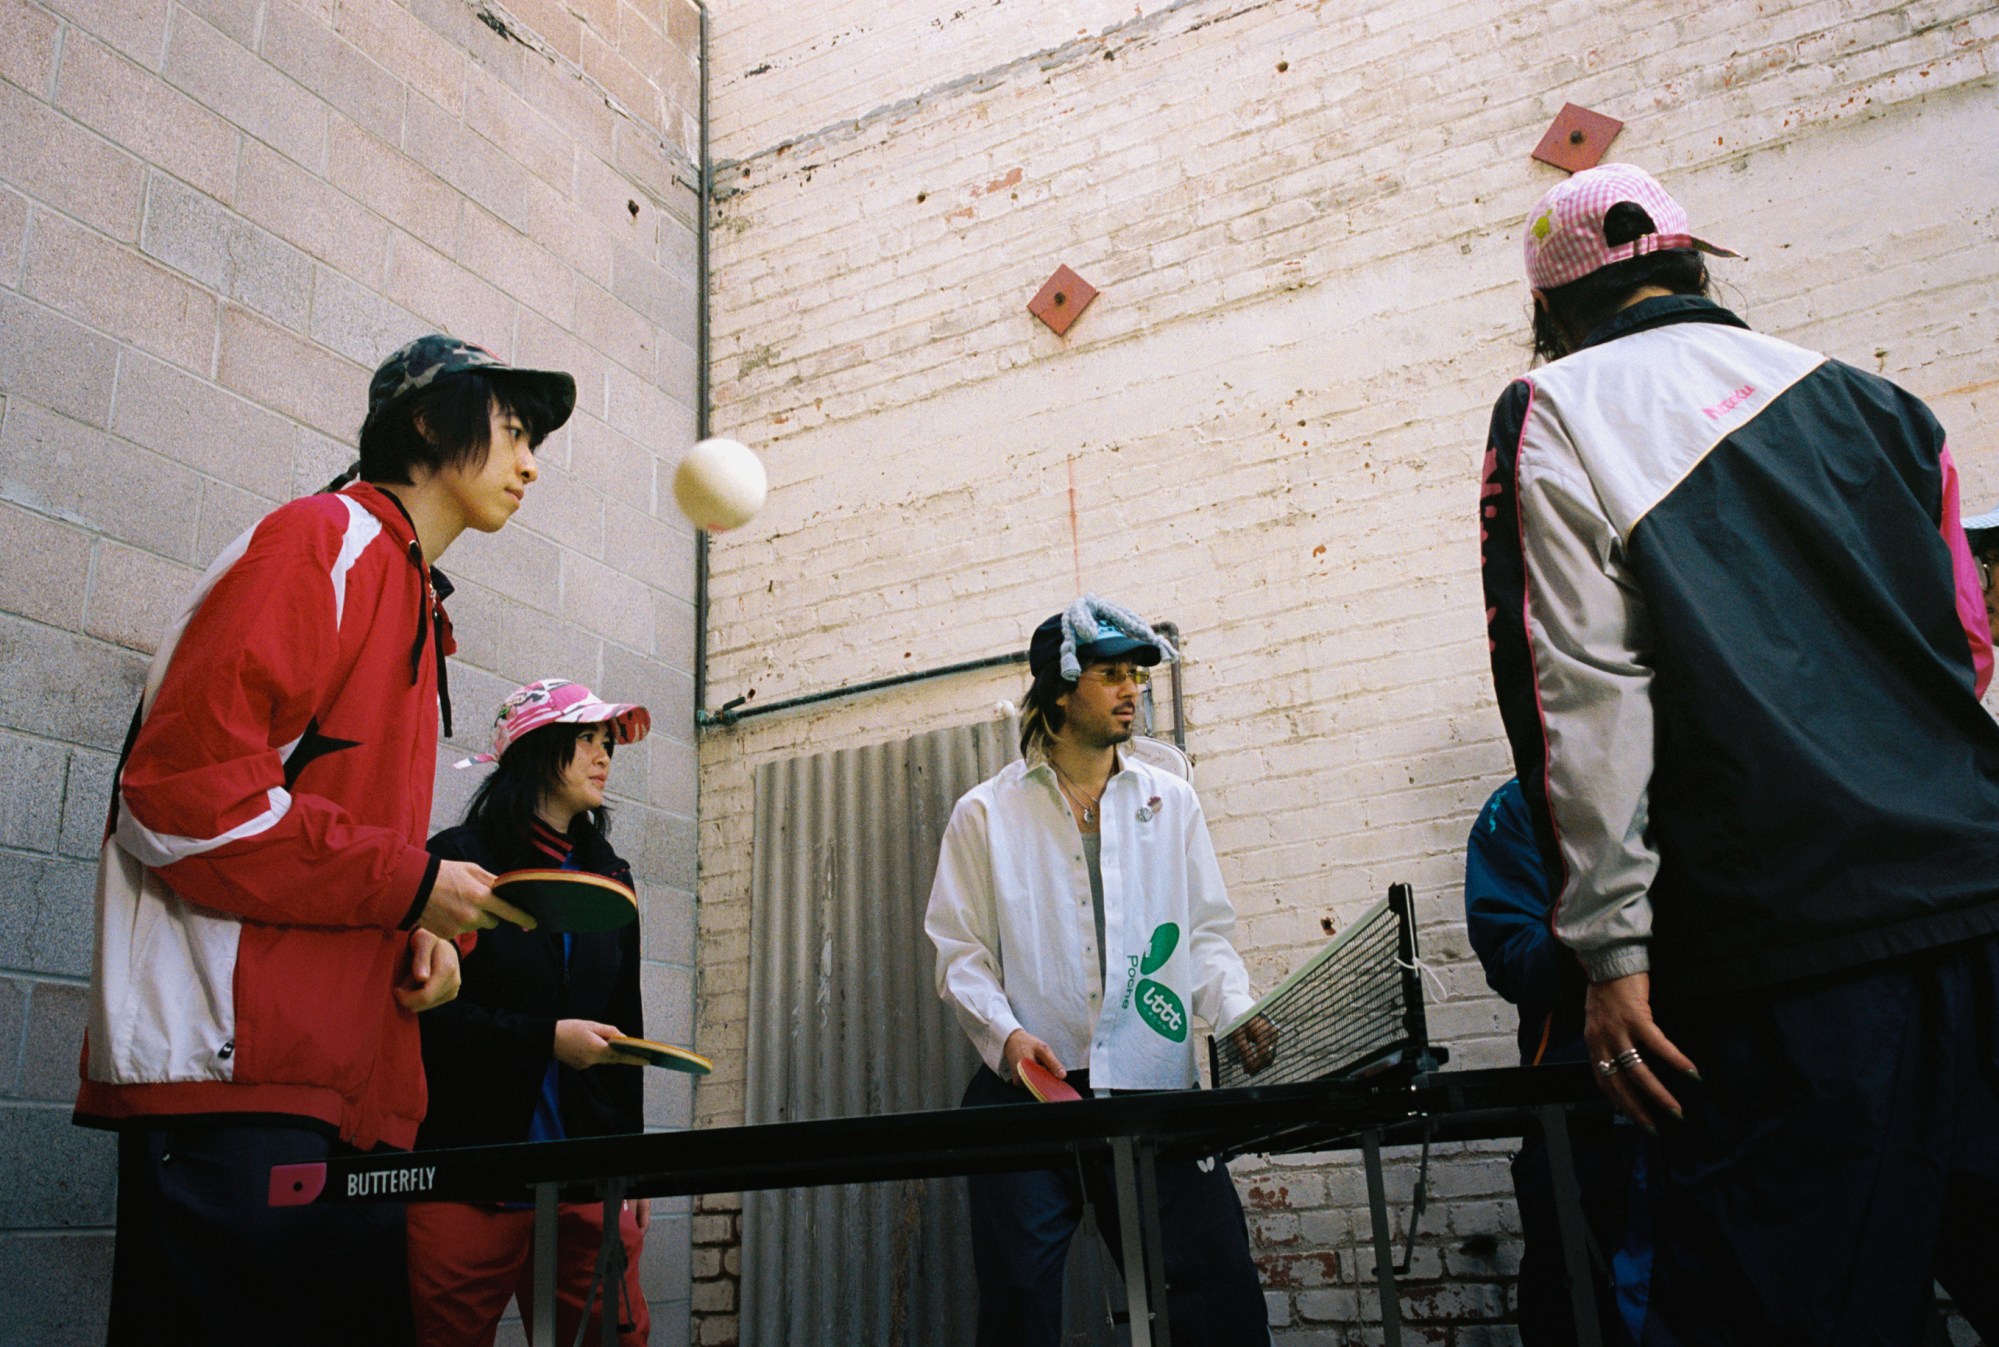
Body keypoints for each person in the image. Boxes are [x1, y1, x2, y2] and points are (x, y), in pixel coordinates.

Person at [1479, 162, 1999, 1343]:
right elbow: (1966, 649)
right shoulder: (1884, 405)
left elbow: (1579, 693)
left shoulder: (1553, 408)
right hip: (1980, 898)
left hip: (1792, 961)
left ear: (1549, 315)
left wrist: (1610, 949)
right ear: (1697, 265)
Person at [74, 335, 573, 1347]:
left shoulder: (412, 600)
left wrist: (422, 936)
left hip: (348, 1102)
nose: (532, 465)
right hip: (234, 1089)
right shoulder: (322, 542)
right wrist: (407, 881)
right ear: (431, 423)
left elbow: (332, 844)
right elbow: (182, 799)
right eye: (515, 432)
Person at [924, 595, 1271, 1347]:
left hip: (1152, 1087)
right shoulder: (983, 815)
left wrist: (1236, 1010)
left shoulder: (1169, 802)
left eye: (1137, 675)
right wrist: (1008, 1038)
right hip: (1026, 1098)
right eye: (1110, 674)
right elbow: (961, 955)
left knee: (1217, 1293)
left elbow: (1204, 932)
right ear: (1058, 689)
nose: (1131, 690)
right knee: (1017, 1304)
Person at [408, 678, 656, 1347]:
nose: (603, 755)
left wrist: (627, 1166)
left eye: (608, 742)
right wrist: (546, 1039)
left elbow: (622, 1024)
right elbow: (427, 1021)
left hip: (582, 1180)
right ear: (536, 747)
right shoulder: (457, 861)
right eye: (586, 738)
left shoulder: (611, 876)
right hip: (466, 1174)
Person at [1465, 779, 1646, 1346]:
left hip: (1714, 1099)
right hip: (1578, 1115)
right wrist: (1610, 937)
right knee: (1576, 1310)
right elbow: (1513, 956)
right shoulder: (1514, 809)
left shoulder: (1690, 779)